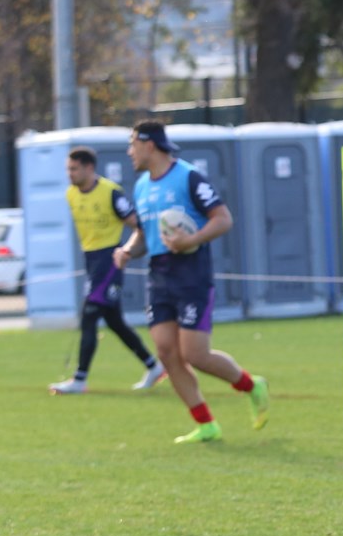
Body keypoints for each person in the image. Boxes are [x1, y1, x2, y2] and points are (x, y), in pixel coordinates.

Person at [114, 120, 270, 443]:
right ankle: (206, 424)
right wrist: (127, 250)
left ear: (149, 144)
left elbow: (223, 219)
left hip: (191, 273)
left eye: (132, 144)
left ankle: (251, 385)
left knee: (195, 355)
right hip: (159, 275)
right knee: (167, 352)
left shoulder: (188, 177)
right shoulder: (141, 186)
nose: (129, 152)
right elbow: (143, 234)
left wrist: (191, 240)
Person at [48, 146, 167, 395]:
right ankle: (153, 366)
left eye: (74, 169)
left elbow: (137, 224)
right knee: (115, 322)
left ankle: (79, 380)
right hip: (91, 261)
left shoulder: (111, 193)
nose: (70, 174)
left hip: (109, 261)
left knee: (89, 315)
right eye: (68, 169)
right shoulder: (71, 194)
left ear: (89, 168)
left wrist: (127, 251)